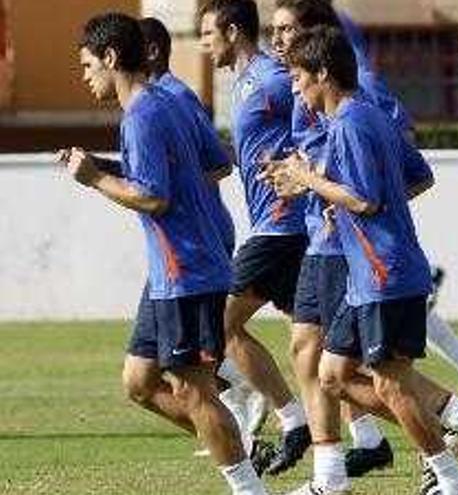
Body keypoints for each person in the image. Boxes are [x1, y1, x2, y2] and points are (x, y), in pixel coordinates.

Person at [262, 26, 458, 494]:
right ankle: (453, 431)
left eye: (299, 77)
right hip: (367, 276)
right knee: (331, 373)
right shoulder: (366, 115)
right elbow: (402, 182)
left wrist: (308, 179)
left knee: (390, 387)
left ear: (323, 73)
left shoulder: (352, 122)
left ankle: (452, 477)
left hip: (385, 274)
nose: (295, 88)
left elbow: (364, 201)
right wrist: (317, 186)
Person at [58, 12, 269, 494]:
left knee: (193, 390)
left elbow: (155, 197)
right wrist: (104, 166)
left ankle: (247, 483)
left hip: (187, 270)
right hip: (172, 273)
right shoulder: (167, 103)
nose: (85, 75)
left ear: (111, 58)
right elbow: (208, 165)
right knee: (139, 382)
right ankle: (236, 447)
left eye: (89, 65)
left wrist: (95, 179)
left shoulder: (142, 116)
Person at [138, 15, 271, 457]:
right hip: (177, 249)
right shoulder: (150, 102)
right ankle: (232, 419)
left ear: (151, 53)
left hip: (197, 244)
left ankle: (236, 405)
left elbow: (218, 163)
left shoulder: (173, 99)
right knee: (145, 378)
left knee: (179, 362)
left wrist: (172, 184)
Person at [199, 0, 311, 476]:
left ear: (231, 31)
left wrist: (298, 171)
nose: (203, 44)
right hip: (276, 226)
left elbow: (317, 122)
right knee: (325, 354)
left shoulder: (270, 78)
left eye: (207, 34)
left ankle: (288, 418)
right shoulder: (244, 84)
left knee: (218, 325)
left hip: (283, 225)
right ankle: (453, 421)